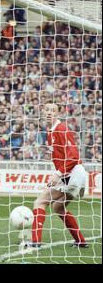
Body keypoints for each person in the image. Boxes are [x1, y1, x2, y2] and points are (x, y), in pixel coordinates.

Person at [28, 103, 88, 248]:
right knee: (58, 207)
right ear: (42, 112)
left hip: (74, 173)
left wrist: (58, 174)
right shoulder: (51, 132)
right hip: (70, 175)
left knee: (40, 201)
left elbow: (73, 156)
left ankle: (35, 242)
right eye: (47, 110)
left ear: (58, 114)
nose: (49, 113)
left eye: (53, 111)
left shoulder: (61, 128)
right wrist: (59, 175)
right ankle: (80, 241)